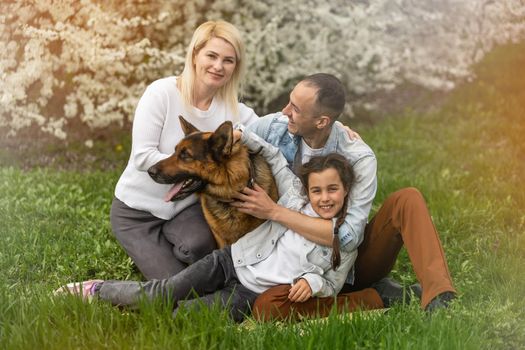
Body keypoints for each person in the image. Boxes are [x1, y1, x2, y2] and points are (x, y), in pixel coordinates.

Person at [55, 134, 360, 323]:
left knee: (181, 316)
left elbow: (332, 284)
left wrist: (312, 282)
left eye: (333, 189)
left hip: (250, 293)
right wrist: (244, 136)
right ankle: (98, 289)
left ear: (346, 190)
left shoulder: (346, 239)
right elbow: (272, 154)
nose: (324, 198)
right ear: (307, 190)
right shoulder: (296, 201)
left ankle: (124, 301)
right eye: (317, 190)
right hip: (230, 261)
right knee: (162, 292)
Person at [231, 73, 456, 320]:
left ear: (321, 122)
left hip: (345, 265)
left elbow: (348, 239)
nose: (285, 111)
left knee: (407, 199)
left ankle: (439, 296)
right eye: (289, 102)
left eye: (295, 108)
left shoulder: (358, 157)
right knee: (268, 307)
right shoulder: (275, 128)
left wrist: (275, 212)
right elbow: (231, 142)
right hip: (289, 265)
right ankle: (380, 297)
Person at [111, 20, 259, 280]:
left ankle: (172, 247)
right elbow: (143, 156)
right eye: (211, 56)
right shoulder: (161, 93)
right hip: (136, 212)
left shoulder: (233, 109)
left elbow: (273, 131)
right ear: (194, 55)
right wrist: (200, 171)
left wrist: (336, 128)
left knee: (200, 250)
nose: (218, 66)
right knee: (177, 288)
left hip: (185, 209)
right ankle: (116, 276)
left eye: (228, 60)